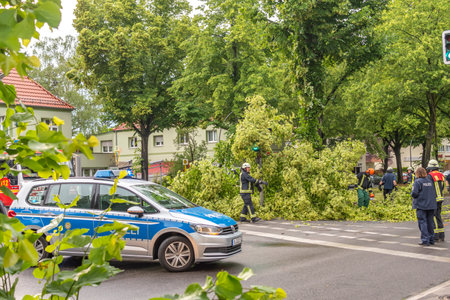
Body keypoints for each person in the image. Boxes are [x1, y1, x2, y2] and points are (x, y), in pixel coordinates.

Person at [411, 167, 437, 246]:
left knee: (423, 222)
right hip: (431, 205)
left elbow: (414, 193)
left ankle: (425, 240)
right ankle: (431, 239)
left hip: (421, 205)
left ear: (417, 173)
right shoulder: (430, 181)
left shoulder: (417, 182)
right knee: (430, 222)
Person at [427, 159, 445, 242]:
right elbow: (443, 186)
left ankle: (435, 235)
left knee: (433, 216)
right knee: (438, 216)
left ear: (430, 168)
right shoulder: (441, 175)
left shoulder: (430, 176)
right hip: (440, 198)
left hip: (433, 199)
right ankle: (442, 235)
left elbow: (429, 188)